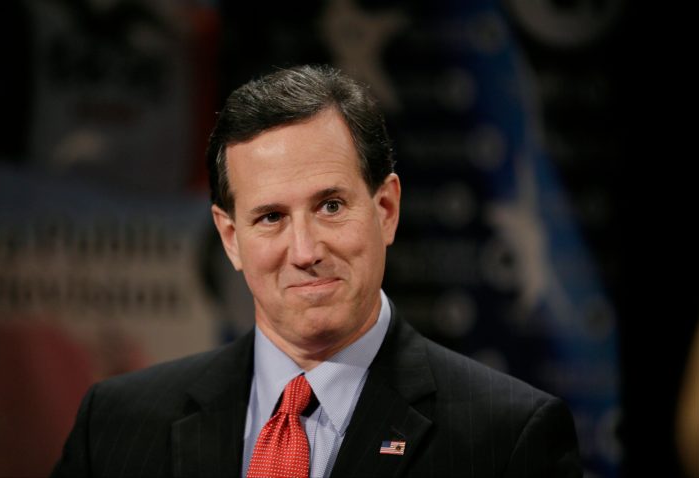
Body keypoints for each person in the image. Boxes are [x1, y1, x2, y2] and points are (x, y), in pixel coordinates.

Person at [52, 64, 581, 477]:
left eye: (330, 205)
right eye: (270, 217)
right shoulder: (118, 426)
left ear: (386, 210)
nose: (305, 250)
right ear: (231, 238)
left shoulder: (507, 438)